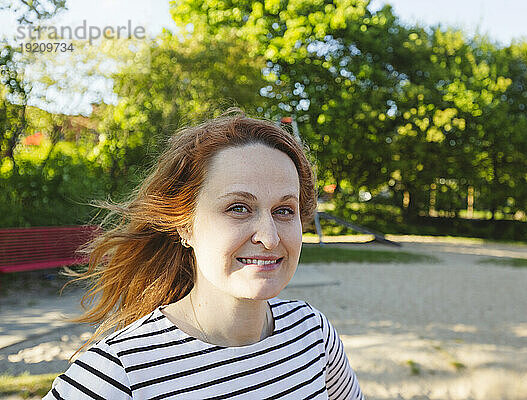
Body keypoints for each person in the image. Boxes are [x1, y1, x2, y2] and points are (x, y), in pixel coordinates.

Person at [43, 110, 365, 399]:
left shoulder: (313, 335)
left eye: (284, 210)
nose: (269, 237)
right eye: (238, 208)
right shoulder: (120, 373)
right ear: (186, 227)